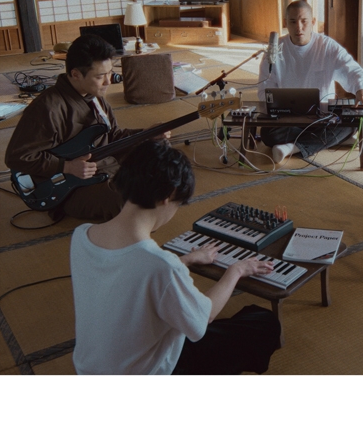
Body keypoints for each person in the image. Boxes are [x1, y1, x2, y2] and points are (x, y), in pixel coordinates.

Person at [70, 139, 281, 375]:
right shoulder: (161, 265)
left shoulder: (82, 236)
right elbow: (203, 318)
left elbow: (131, 274)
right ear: (168, 196)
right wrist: (237, 270)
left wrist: (186, 260)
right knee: (263, 322)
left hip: (89, 369)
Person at [5, 34, 168, 222]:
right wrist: (67, 166)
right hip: (67, 186)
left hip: (101, 165)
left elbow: (112, 136)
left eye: (109, 73)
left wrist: (147, 134)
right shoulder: (48, 108)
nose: (108, 81)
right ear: (76, 74)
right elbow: (16, 157)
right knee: (131, 206)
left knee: (160, 150)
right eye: (100, 76)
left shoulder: (95, 97)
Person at [258, 0, 363, 163]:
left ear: (313, 21)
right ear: (285, 23)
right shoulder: (275, 49)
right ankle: (330, 139)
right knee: (268, 134)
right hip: (288, 118)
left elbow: (352, 70)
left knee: (352, 122)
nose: (299, 27)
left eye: (304, 21)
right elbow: (264, 88)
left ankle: (291, 147)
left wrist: (361, 88)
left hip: (322, 117)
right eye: (293, 21)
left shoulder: (327, 46)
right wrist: (274, 106)